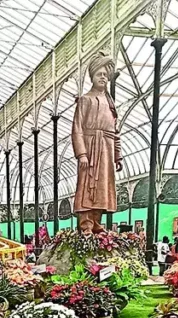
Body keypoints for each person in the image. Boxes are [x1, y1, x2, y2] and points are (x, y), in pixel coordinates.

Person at [72, 52, 121, 234]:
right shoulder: (85, 100)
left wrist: (118, 155)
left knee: (103, 187)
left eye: (105, 75)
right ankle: (85, 223)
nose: (103, 78)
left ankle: (96, 221)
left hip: (106, 149)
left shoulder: (110, 103)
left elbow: (116, 131)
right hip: (91, 147)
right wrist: (82, 153)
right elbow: (77, 128)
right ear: (92, 77)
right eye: (99, 74)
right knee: (86, 185)